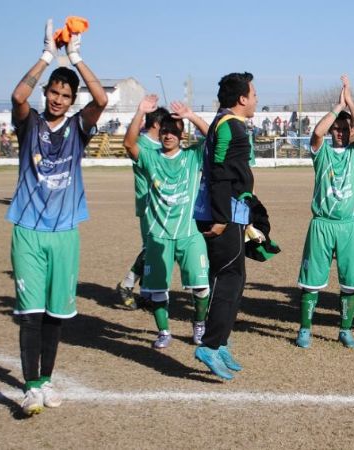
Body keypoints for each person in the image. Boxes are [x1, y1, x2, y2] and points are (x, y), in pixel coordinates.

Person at [8, 19, 107, 415]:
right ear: (46, 92)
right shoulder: (29, 123)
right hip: (28, 231)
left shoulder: (78, 127)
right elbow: (18, 95)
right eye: (54, 92)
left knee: (55, 315)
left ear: (71, 99)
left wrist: (76, 56)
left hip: (65, 232)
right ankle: (31, 388)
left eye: (66, 95)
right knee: (30, 314)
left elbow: (100, 99)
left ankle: (45, 380)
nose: (58, 99)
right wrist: (47, 54)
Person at [123, 95, 211, 349]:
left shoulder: (192, 156)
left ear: (182, 134)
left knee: (201, 287)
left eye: (174, 131)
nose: (169, 135)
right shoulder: (150, 157)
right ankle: (164, 332)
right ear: (159, 132)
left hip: (190, 233)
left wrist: (191, 115)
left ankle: (199, 325)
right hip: (159, 235)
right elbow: (129, 144)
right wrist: (140, 112)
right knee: (158, 290)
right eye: (165, 131)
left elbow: (213, 138)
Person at [295, 75, 354, 349]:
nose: (339, 132)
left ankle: (345, 330)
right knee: (311, 282)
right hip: (322, 224)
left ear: (351, 132)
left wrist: (350, 102)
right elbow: (317, 133)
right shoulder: (322, 152)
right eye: (336, 129)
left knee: (350, 283)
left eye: (344, 129)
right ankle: (305, 329)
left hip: (350, 226)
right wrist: (338, 108)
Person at [193, 72, 257, 380]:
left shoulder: (227, 123)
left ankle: (220, 342)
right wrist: (221, 218)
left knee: (236, 277)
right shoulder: (231, 126)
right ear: (242, 98)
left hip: (231, 211)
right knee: (227, 277)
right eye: (253, 95)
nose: (256, 100)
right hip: (223, 212)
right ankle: (210, 345)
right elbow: (220, 172)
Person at [116, 105, 169, 310]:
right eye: (165, 125)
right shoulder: (142, 144)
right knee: (153, 247)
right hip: (149, 204)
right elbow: (129, 144)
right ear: (156, 124)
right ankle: (127, 284)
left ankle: (147, 292)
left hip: (163, 205)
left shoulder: (160, 145)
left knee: (158, 247)